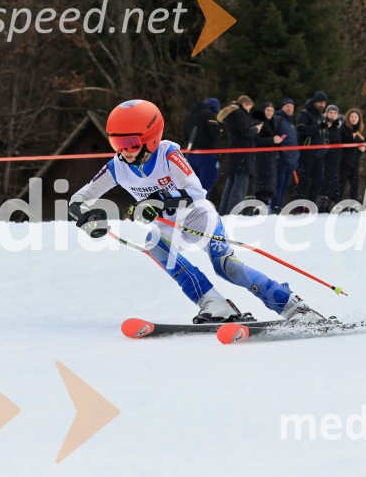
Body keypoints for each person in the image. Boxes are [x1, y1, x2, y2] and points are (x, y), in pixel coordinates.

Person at [68, 99, 326, 323]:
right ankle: (214, 303)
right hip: (167, 226)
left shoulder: (168, 152)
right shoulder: (118, 166)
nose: (124, 151)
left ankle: (293, 305)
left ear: (151, 137)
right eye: (117, 143)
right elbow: (80, 198)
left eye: (131, 143)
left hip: (198, 216)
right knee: (154, 245)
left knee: (228, 268)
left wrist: (157, 201)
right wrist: (85, 217)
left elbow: (195, 192)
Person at [218, 95, 260, 216]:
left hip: (233, 152)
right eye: (249, 108)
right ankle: (233, 213)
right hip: (242, 153)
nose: (249, 111)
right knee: (240, 185)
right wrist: (255, 129)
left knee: (230, 184)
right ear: (245, 104)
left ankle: (224, 212)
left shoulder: (231, 115)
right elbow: (245, 131)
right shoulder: (240, 114)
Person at [294, 91, 329, 209]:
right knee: (304, 180)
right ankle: (299, 206)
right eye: (320, 102)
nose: (322, 105)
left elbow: (323, 134)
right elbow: (301, 129)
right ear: (314, 102)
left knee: (319, 180)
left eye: (324, 103)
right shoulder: (305, 113)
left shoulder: (321, 116)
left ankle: (311, 205)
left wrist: (325, 145)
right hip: (307, 153)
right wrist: (319, 126)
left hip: (319, 154)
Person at [183, 97, 221, 193]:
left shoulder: (189, 116)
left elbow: (186, 137)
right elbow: (215, 133)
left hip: (191, 155)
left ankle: (191, 207)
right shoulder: (208, 114)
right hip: (206, 155)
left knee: (193, 187)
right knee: (205, 188)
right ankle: (203, 207)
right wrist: (220, 130)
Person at [252, 102, 284, 212]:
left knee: (269, 183)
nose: (270, 112)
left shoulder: (271, 123)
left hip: (270, 157)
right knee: (263, 182)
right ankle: (260, 207)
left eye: (271, 110)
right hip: (261, 158)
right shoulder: (258, 122)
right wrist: (272, 140)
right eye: (267, 110)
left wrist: (277, 142)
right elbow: (255, 140)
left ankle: (266, 205)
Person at [272, 97, 299, 213]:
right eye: (287, 106)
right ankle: (274, 206)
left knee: (285, 185)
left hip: (292, 159)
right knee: (279, 183)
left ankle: (280, 205)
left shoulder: (291, 123)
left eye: (292, 107)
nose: (290, 108)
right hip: (281, 157)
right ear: (282, 107)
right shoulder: (278, 118)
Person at [339, 108, 366, 203]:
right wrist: (351, 136)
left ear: (359, 119)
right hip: (344, 162)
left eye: (356, 117)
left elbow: (361, 144)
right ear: (348, 118)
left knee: (355, 185)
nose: (354, 118)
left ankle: (353, 207)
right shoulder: (343, 128)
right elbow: (340, 142)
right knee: (341, 185)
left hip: (355, 162)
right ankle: (337, 205)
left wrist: (362, 149)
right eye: (352, 116)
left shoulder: (359, 131)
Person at [321, 104, 343, 205]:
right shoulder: (324, 124)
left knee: (335, 182)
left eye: (335, 113)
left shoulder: (338, 127)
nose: (333, 114)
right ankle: (323, 203)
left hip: (336, 160)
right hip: (325, 158)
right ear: (327, 113)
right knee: (325, 181)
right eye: (331, 112)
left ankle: (334, 202)